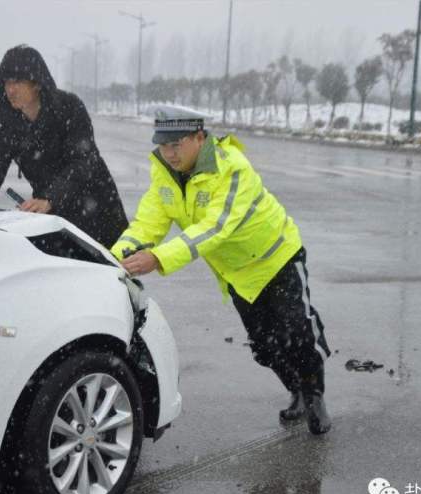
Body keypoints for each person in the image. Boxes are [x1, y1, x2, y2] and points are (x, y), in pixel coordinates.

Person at [111, 107, 332, 435]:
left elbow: (214, 228)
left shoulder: (231, 168)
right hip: (239, 274)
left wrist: (158, 259)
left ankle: (314, 395)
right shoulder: (165, 175)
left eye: (177, 144)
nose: (169, 153)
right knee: (265, 345)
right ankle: (296, 389)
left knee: (297, 332)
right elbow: (148, 222)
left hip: (277, 259)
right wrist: (116, 256)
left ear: (199, 138)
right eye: (163, 145)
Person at [0, 45, 128, 248]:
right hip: (50, 212)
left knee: (105, 271)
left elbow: (83, 161)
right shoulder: (6, 119)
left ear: (36, 83)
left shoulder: (68, 107)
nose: (10, 89)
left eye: (17, 81)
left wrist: (50, 197)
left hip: (95, 205)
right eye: (6, 82)